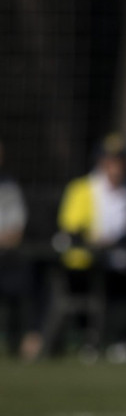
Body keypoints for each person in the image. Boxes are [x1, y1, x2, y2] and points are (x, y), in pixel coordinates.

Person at [52, 133, 126, 361]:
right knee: (90, 295)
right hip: (86, 266)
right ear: (101, 162)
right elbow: (70, 229)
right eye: (110, 161)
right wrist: (94, 239)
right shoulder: (82, 189)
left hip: (120, 265)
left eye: (120, 161)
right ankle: (89, 342)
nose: (116, 167)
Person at [0, 140, 44, 360]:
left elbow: (15, 230)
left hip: (6, 257)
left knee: (30, 279)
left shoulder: (9, 187)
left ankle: (29, 339)